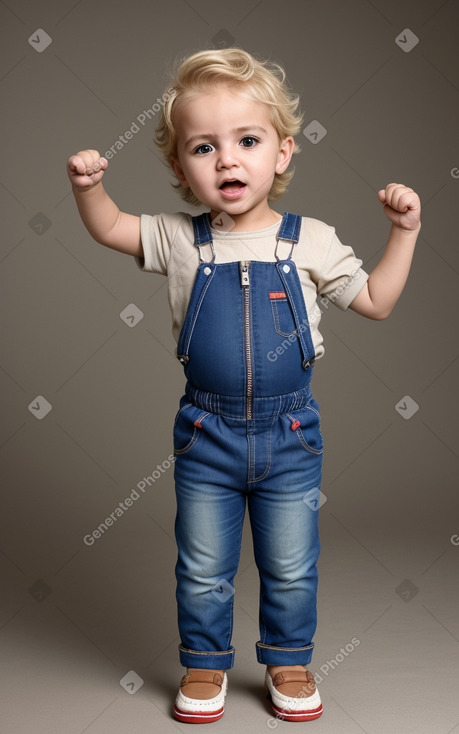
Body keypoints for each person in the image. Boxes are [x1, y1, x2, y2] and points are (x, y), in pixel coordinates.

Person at [67, 47, 421, 724]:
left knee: (290, 563)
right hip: (207, 433)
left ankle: (288, 659)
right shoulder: (179, 240)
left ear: (282, 153)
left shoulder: (309, 241)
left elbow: (375, 300)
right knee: (202, 566)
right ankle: (203, 667)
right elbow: (111, 227)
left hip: (290, 435)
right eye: (204, 147)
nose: (227, 160)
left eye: (247, 141)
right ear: (180, 168)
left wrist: (402, 233)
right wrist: (88, 190)